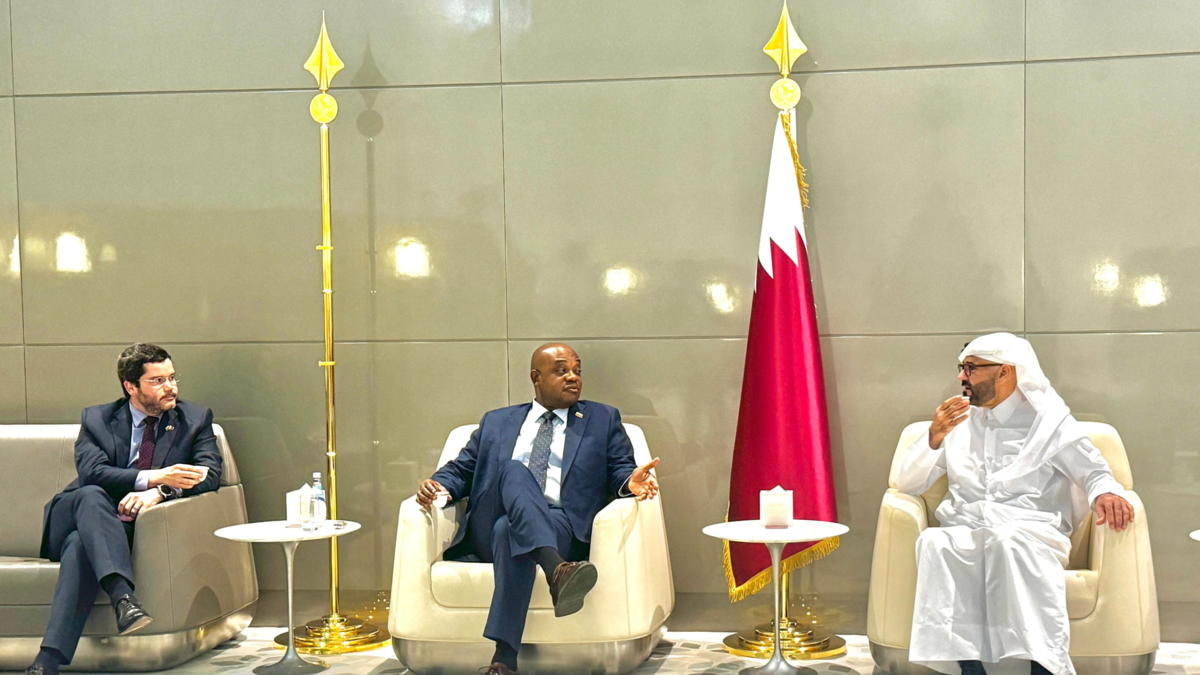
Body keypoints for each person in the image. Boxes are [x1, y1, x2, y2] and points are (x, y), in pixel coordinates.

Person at [895, 333, 1134, 675]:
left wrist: (1105, 493)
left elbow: (1094, 471)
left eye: (971, 368)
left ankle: (1043, 667)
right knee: (935, 542)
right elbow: (907, 482)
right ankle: (969, 668)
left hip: (1029, 533)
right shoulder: (956, 420)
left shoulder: (1047, 421)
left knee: (1007, 542)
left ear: (1005, 371)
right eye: (961, 367)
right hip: (966, 529)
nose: (961, 376)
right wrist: (934, 436)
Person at [416, 343, 660, 675]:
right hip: (493, 516)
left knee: (509, 531)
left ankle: (504, 660)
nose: (573, 377)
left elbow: (620, 467)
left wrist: (630, 482)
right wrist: (438, 485)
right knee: (514, 471)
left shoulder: (602, 419)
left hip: (559, 523)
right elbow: (461, 469)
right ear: (536, 377)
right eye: (561, 371)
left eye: (577, 370)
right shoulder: (496, 421)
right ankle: (557, 569)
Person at [25, 344, 222, 675]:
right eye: (157, 381)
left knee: (80, 547)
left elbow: (210, 473)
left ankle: (47, 663)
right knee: (90, 495)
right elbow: (93, 473)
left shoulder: (194, 419)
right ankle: (122, 596)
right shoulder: (97, 419)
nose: (170, 387)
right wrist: (153, 477)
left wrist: (161, 491)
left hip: (119, 530)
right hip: (72, 513)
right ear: (130, 386)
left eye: (172, 377)